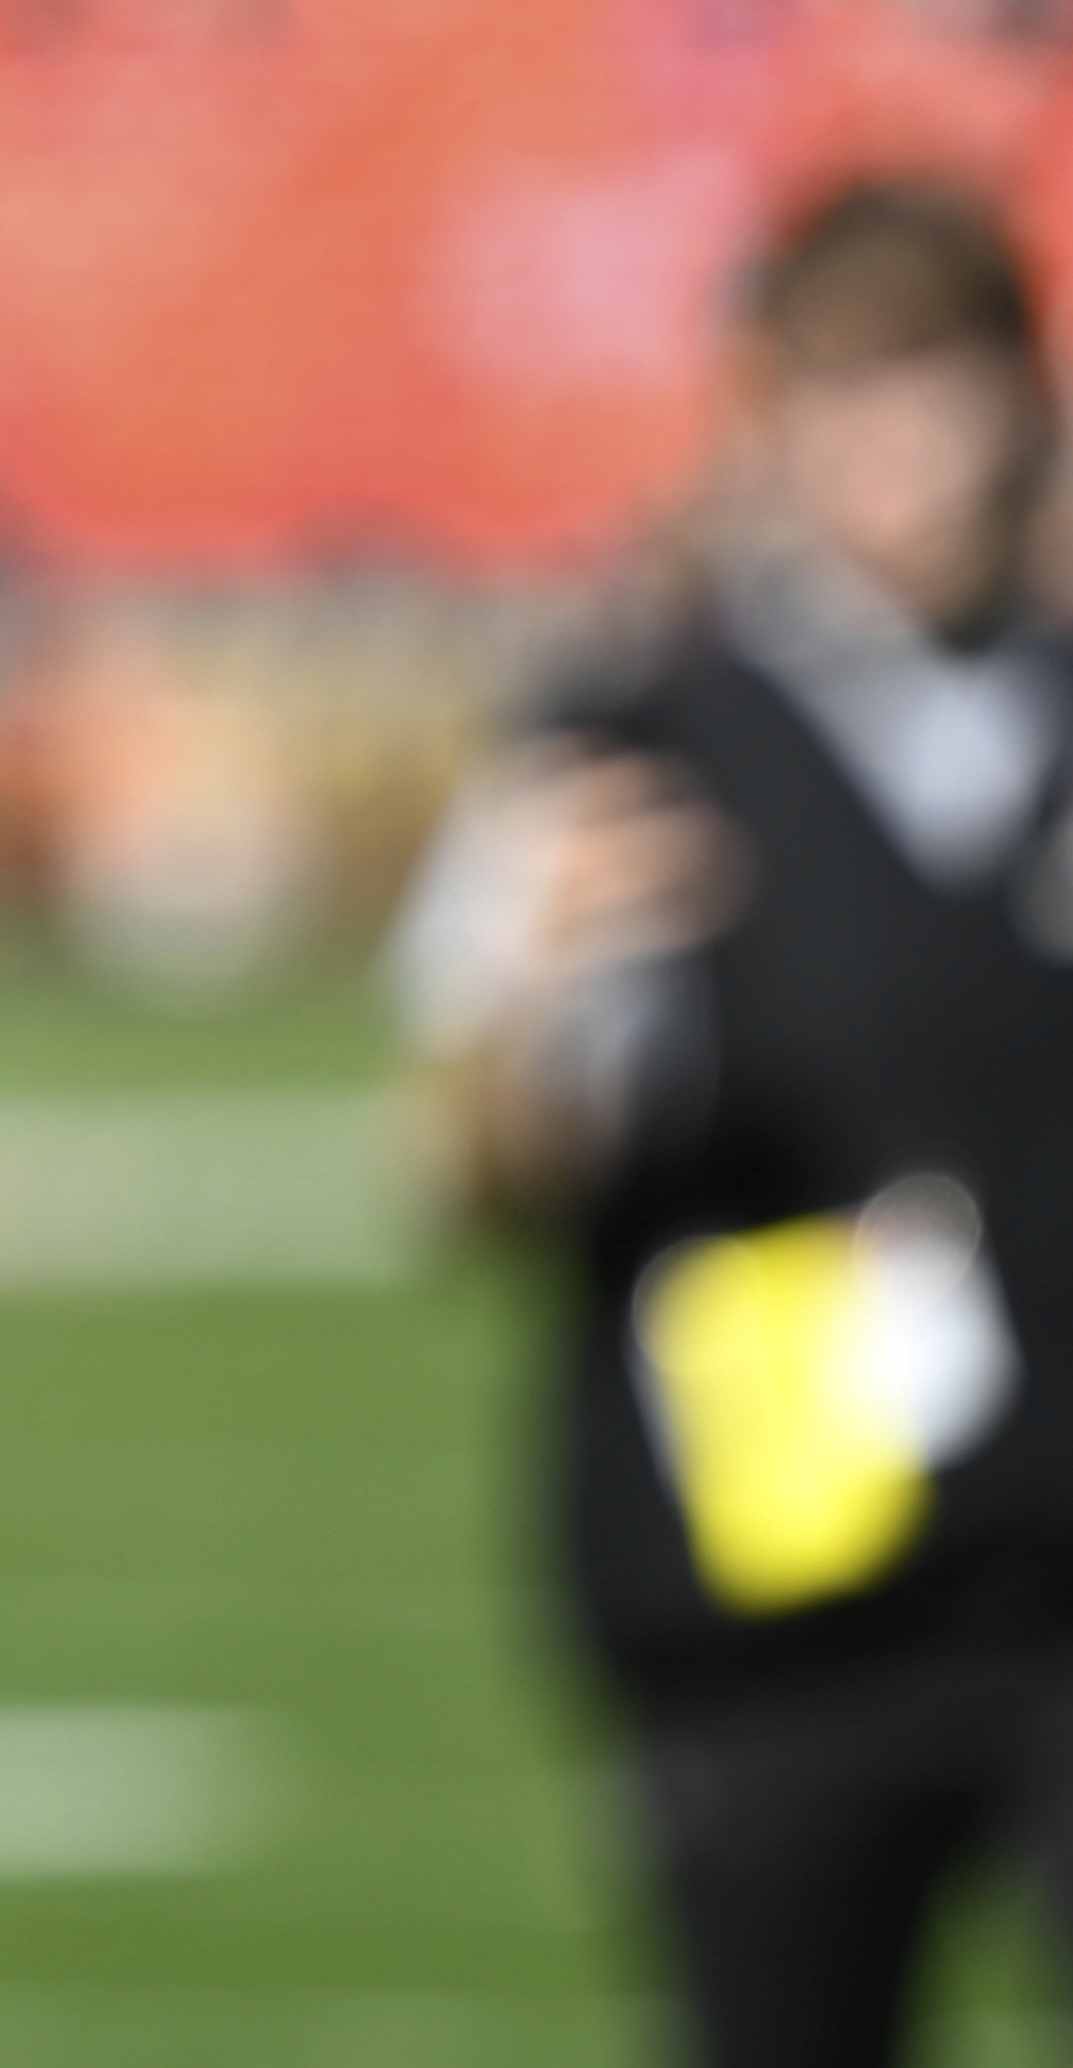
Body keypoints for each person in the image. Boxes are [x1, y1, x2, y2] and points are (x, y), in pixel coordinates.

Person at [404, 176, 1073, 2067]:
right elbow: (472, 1184)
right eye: (849, 388)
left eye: (938, 378)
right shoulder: (629, 744)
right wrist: (525, 1006)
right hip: (770, 1585)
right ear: (768, 420)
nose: (903, 446)